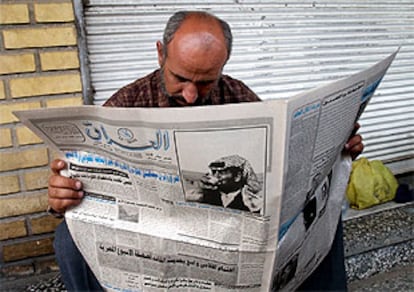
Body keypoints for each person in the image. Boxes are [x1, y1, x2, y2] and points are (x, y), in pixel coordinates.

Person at [48, 10, 364, 291]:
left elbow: (279, 168)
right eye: (180, 78)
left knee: (322, 216)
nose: (189, 95)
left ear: (223, 67)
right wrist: (64, 196)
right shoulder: (125, 105)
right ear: (160, 54)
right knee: (68, 239)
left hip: (230, 232)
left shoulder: (238, 95)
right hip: (162, 233)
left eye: (205, 83)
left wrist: (338, 150)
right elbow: (88, 193)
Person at [197, 154, 263, 213]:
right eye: (214, 172)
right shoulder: (210, 195)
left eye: (222, 172)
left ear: (237, 176)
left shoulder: (250, 202)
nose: (216, 176)